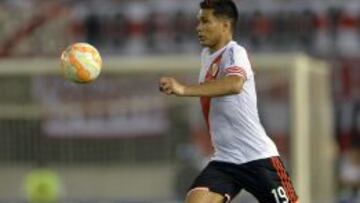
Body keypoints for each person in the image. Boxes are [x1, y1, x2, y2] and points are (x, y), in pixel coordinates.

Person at [159, 0, 299, 202]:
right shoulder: (206, 55)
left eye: (205, 21)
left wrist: (183, 89)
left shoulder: (235, 52)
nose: (199, 27)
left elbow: (234, 84)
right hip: (225, 159)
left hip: (257, 156)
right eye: (199, 21)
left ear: (225, 25)